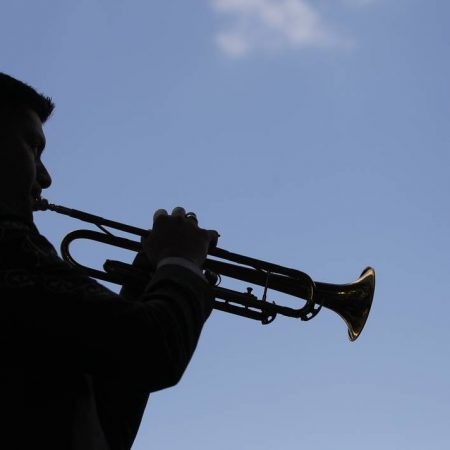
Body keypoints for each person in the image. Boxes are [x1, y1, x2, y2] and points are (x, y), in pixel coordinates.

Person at [0, 73, 218, 450]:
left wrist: (144, 286)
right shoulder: (10, 249)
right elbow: (152, 352)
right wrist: (180, 266)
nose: (46, 177)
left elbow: (103, 426)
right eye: (33, 148)